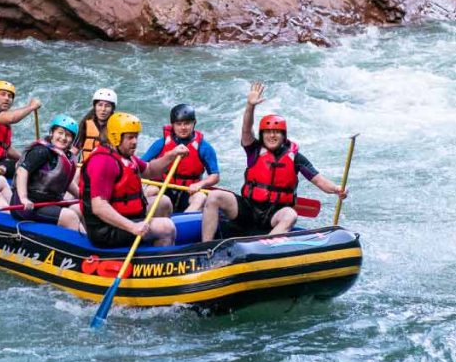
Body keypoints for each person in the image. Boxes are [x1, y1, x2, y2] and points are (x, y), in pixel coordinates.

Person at [201, 82, 347, 241]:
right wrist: (250, 106)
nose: (272, 136)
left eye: (276, 132)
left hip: (275, 214)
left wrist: (337, 189)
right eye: (268, 132)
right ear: (262, 135)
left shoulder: (295, 158)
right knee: (214, 196)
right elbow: (246, 129)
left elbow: (319, 181)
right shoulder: (253, 150)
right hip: (248, 208)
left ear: (283, 135)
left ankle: (263, 249)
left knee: (291, 215)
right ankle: (206, 248)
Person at [79, 112, 188, 247]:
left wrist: (171, 155)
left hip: (125, 216)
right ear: (115, 137)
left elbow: (150, 170)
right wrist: (132, 227)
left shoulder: (124, 155)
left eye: (136, 137)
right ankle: (158, 260)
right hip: (104, 230)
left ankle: (151, 246)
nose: (135, 142)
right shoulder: (103, 162)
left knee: (164, 202)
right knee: (166, 227)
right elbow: (99, 207)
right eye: (130, 138)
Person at [141, 103, 221, 212]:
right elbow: (140, 165)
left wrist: (200, 184)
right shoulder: (161, 144)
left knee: (200, 197)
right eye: (178, 124)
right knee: (150, 190)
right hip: (164, 186)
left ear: (194, 123)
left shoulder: (204, 148)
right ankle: (139, 216)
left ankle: (183, 223)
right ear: (173, 125)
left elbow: (215, 176)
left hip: (189, 191)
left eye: (187, 123)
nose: (183, 128)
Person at [11, 114, 83, 232]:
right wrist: (24, 198)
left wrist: (82, 196)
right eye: (60, 133)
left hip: (49, 202)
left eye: (68, 135)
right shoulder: (41, 151)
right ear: (52, 133)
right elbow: (22, 171)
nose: (63, 138)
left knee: (79, 209)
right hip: (28, 205)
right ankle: (74, 249)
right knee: (69, 216)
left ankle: (90, 244)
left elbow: (66, 181)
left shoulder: (67, 156)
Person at [0, 80, 42, 175]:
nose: (7, 98)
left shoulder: (4, 123)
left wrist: (24, 158)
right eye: (3, 94)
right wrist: (31, 107)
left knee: (28, 166)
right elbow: (11, 118)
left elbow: (6, 148)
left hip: (0, 162)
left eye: (10, 96)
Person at [74, 88, 117, 164]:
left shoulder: (117, 126)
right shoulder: (85, 124)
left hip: (107, 167)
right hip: (85, 166)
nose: (103, 109)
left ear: (112, 108)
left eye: (107, 106)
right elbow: (75, 149)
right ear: (95, 106)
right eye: (100, 105)